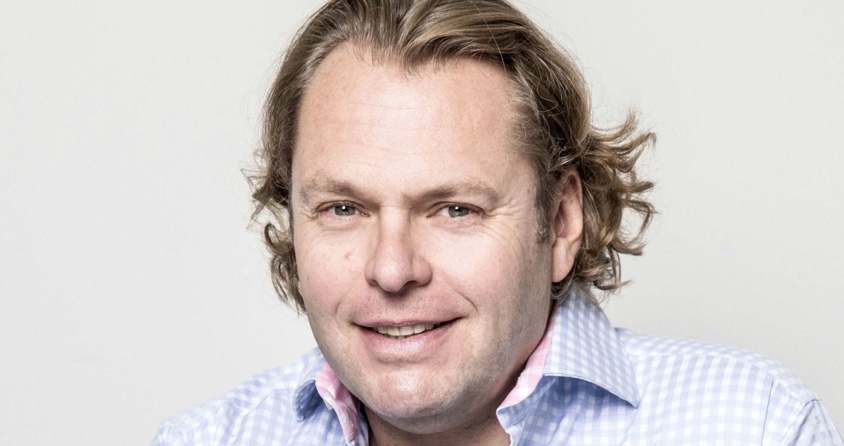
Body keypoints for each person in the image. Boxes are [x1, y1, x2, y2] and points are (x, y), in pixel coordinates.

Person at [152, 0, 842, 444]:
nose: (392, 269)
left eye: (455, 209)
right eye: (344, 209)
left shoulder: (752, 426)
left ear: (561, 220)